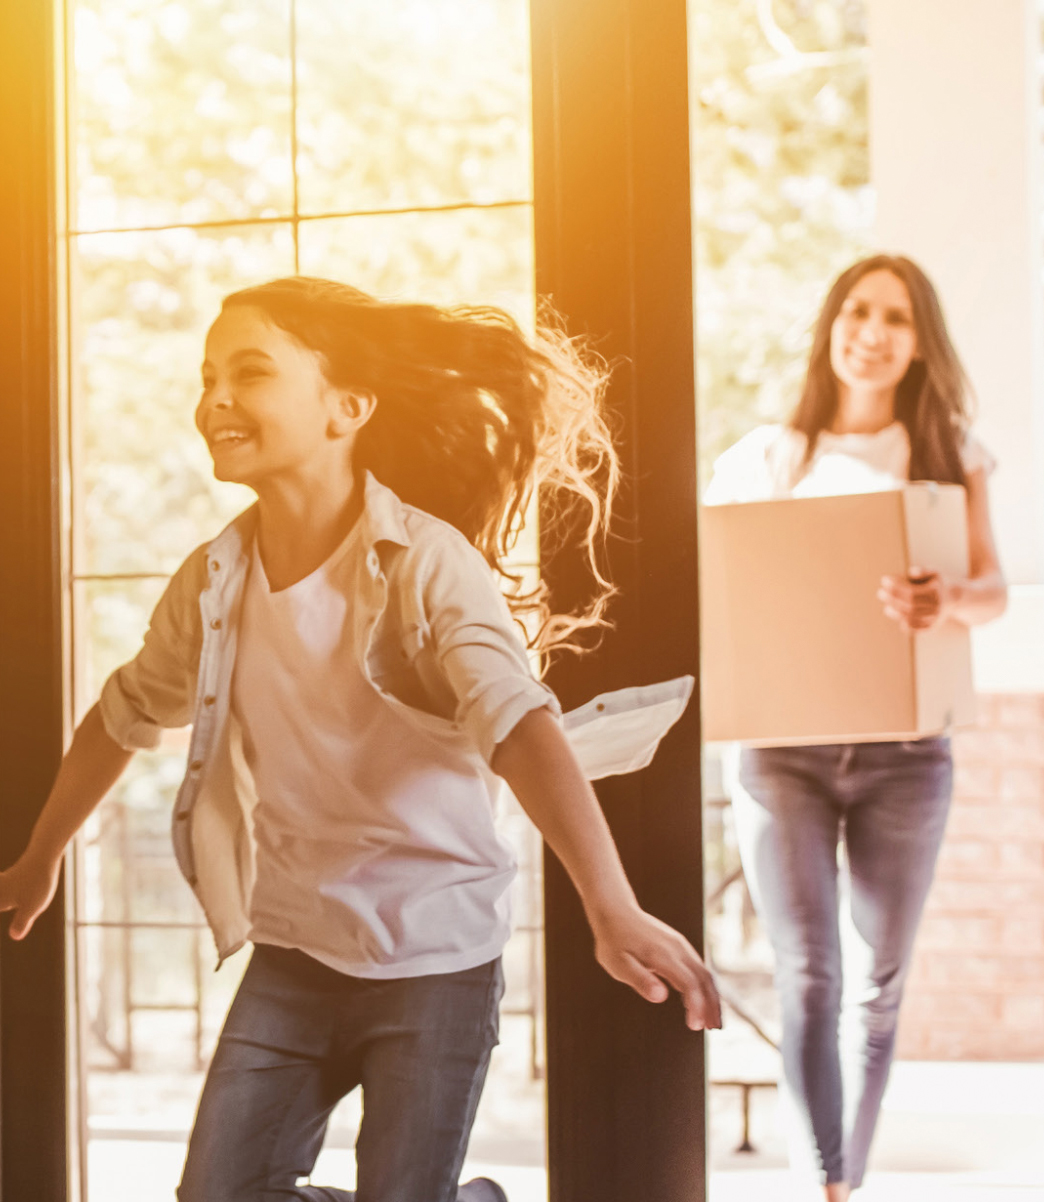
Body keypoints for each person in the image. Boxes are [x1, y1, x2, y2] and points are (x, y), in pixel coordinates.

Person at [0, 277, 721, 1202]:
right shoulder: (213, 581)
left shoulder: (427, 563)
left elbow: (517, 720)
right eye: (208, 378)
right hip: (294, 947)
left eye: (250, 373)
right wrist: (42, 856)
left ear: (348, 408)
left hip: (436, 958)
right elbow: (124, 710)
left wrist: (610, 905)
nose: (216, 400)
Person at [704, 254, 1007, 1201]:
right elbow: (725, 585)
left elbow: (993, 590)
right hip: (781, 755)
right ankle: (821, 1180)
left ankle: (843, 1183)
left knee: (876, 984)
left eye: (896, 319)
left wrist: (946, 598)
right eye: (857, 311)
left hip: (905, 758)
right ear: (831, 325)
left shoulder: (947, 451)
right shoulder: (766, 458)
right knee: (807, 974)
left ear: (919, 345)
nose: (872, 332)